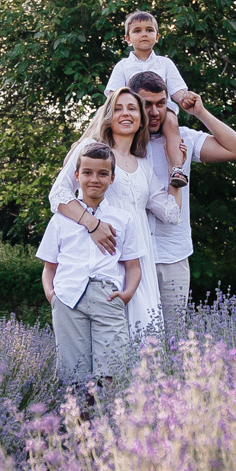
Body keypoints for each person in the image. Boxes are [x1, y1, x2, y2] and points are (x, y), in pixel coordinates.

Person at [53, 70, 236, 339]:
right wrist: (93, 225)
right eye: (145, 105)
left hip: (169, 254)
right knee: (109, 335)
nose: (154, 112)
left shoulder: (177, 143)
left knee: (164, 338)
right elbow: (64, 184)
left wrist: (179, 158)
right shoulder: (99, 150)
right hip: (113, 255)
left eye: (161, 104)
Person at [47, 88, 183, 342]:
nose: (125, 114)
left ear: (141, 119)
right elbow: (58, 194)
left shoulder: (143, 166)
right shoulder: (91, 150)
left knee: (142, 338)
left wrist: (176, 167)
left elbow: (171, 213)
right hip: (102, 257)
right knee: (102, 340)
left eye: (132, 109)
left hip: (135, 260)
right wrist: (92, 224)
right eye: (118, 108)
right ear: (109, 116)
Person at [37, 144, 144, 397]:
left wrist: (126, 295)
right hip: (68, 299)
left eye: (102, 174)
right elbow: (49, 267)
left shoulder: (123, 219)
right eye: (87, 173)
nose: (94, 179)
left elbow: (133, 266)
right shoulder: (61, 219)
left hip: (107, 298)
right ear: (77, 176)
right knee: (74, 376)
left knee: (113, 372)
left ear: (112, 178)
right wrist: (52, 296)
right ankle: (81, 422)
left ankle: (109, 420)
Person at [103, 11, 195, 183]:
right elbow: (112, 95)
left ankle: (177, 169)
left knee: (172, 121)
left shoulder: (165, 63)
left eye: (149, 30)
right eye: (137, 31)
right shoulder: (123, 66)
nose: (144, 34)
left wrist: (186, 96)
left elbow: (177, 91)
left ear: (157, 37)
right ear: (128, 39)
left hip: (160, 113)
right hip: (135, 113)